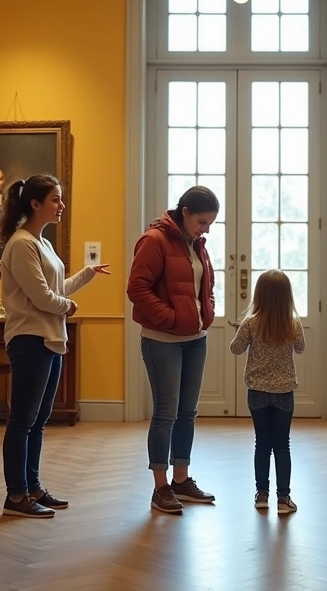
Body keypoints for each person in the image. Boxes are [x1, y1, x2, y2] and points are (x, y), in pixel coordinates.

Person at [0, 173, 109, 519]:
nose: (61, 206)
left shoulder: (42, 243)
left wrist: (85, 274)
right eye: (55, 200)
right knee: (23, 421)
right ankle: (16, 496)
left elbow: (55, 289)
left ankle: (32, 487)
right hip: (30, 339)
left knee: (39, 420)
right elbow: (43, 297)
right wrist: (67, 306)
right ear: (35, 204)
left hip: (50, 338)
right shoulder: (21, 244)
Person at [127, 186, 220, 515]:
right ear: (185, 212)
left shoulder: (196, 244)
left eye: (210, 224)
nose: (205, 228)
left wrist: (206, 312)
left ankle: (181, 480)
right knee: (166, 413)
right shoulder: (154, 240)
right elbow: (136, 288)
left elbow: (204, 288)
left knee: (188, 412)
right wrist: (169, 320)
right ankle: (160, 488)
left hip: (195, 340)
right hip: (162, 341)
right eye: (202, 221)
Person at [229, 269, 305, 515]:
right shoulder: (292, 323)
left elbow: (235, 349)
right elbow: (301, 348)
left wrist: (240, 330)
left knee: (261, 443)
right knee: (282, 445)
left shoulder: (251, 322)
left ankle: (261, 494)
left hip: (257, 392)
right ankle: (284, 499)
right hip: (284, 392)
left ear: (258, 295)